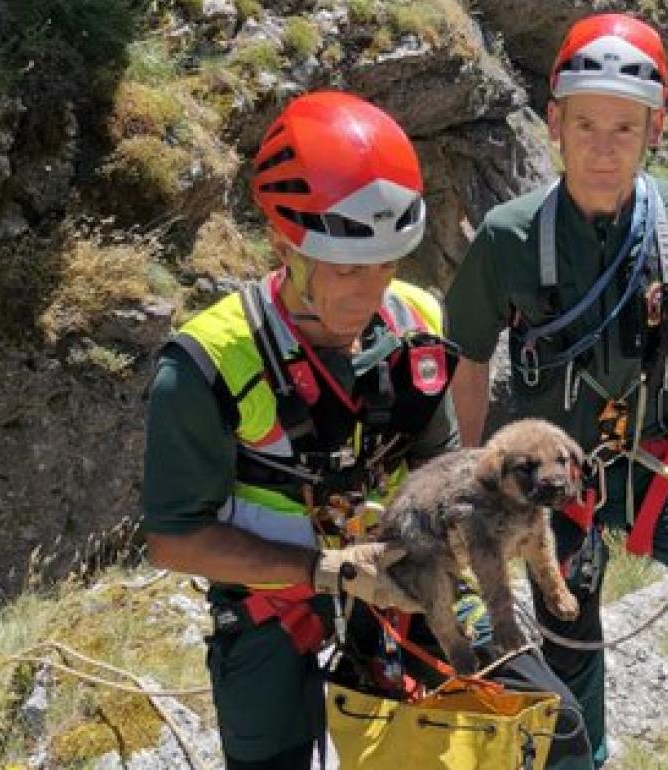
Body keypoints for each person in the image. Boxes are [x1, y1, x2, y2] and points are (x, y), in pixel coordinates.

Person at [142, 91, 592, 770]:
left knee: (555, 730)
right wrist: (319, 569)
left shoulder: (414, 324)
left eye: (386, 264)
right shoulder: (207, 365)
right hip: (278, 601)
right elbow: (175, 541)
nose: (369, 292)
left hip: (413, 569)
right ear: (283, 242)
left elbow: (445, 468)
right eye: (348, 268)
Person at [443, 14, 668, 770]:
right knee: (567, 633)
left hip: (660, 463)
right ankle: (581, 760)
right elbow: (468, 359)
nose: (603, 147)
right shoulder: (508, 238)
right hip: (553, 481)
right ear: (555, 124)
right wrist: (464, 476)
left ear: (655, 128)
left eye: (623, 127)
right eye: (586, 125)